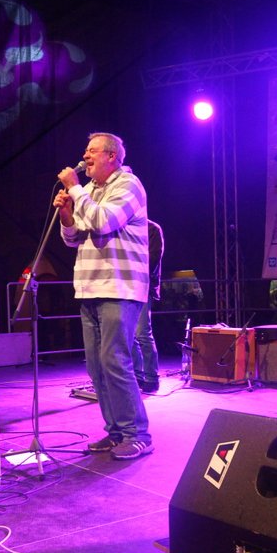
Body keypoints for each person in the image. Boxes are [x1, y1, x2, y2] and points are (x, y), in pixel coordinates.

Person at [55, 132, 153, 461]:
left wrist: (75, 188)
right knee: (96, 366)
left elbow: (103, 221)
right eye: (85, 150)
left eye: (92, 151)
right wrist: (67, 216)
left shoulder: (128, 184)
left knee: (115, 361)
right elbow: (73, 238)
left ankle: (137, 435)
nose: (85, 156)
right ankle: (116, 432)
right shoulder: (91, 191)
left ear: (111, 156)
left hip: (118, 287)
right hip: (90, 287)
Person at [134, 219, 164, 393]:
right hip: (126, 287)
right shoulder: (126, 227)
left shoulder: (152, 229)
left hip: (143, 285)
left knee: (142, 332)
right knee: (130, 335)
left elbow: (153, 259)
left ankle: (151, 377)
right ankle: (137, 376)